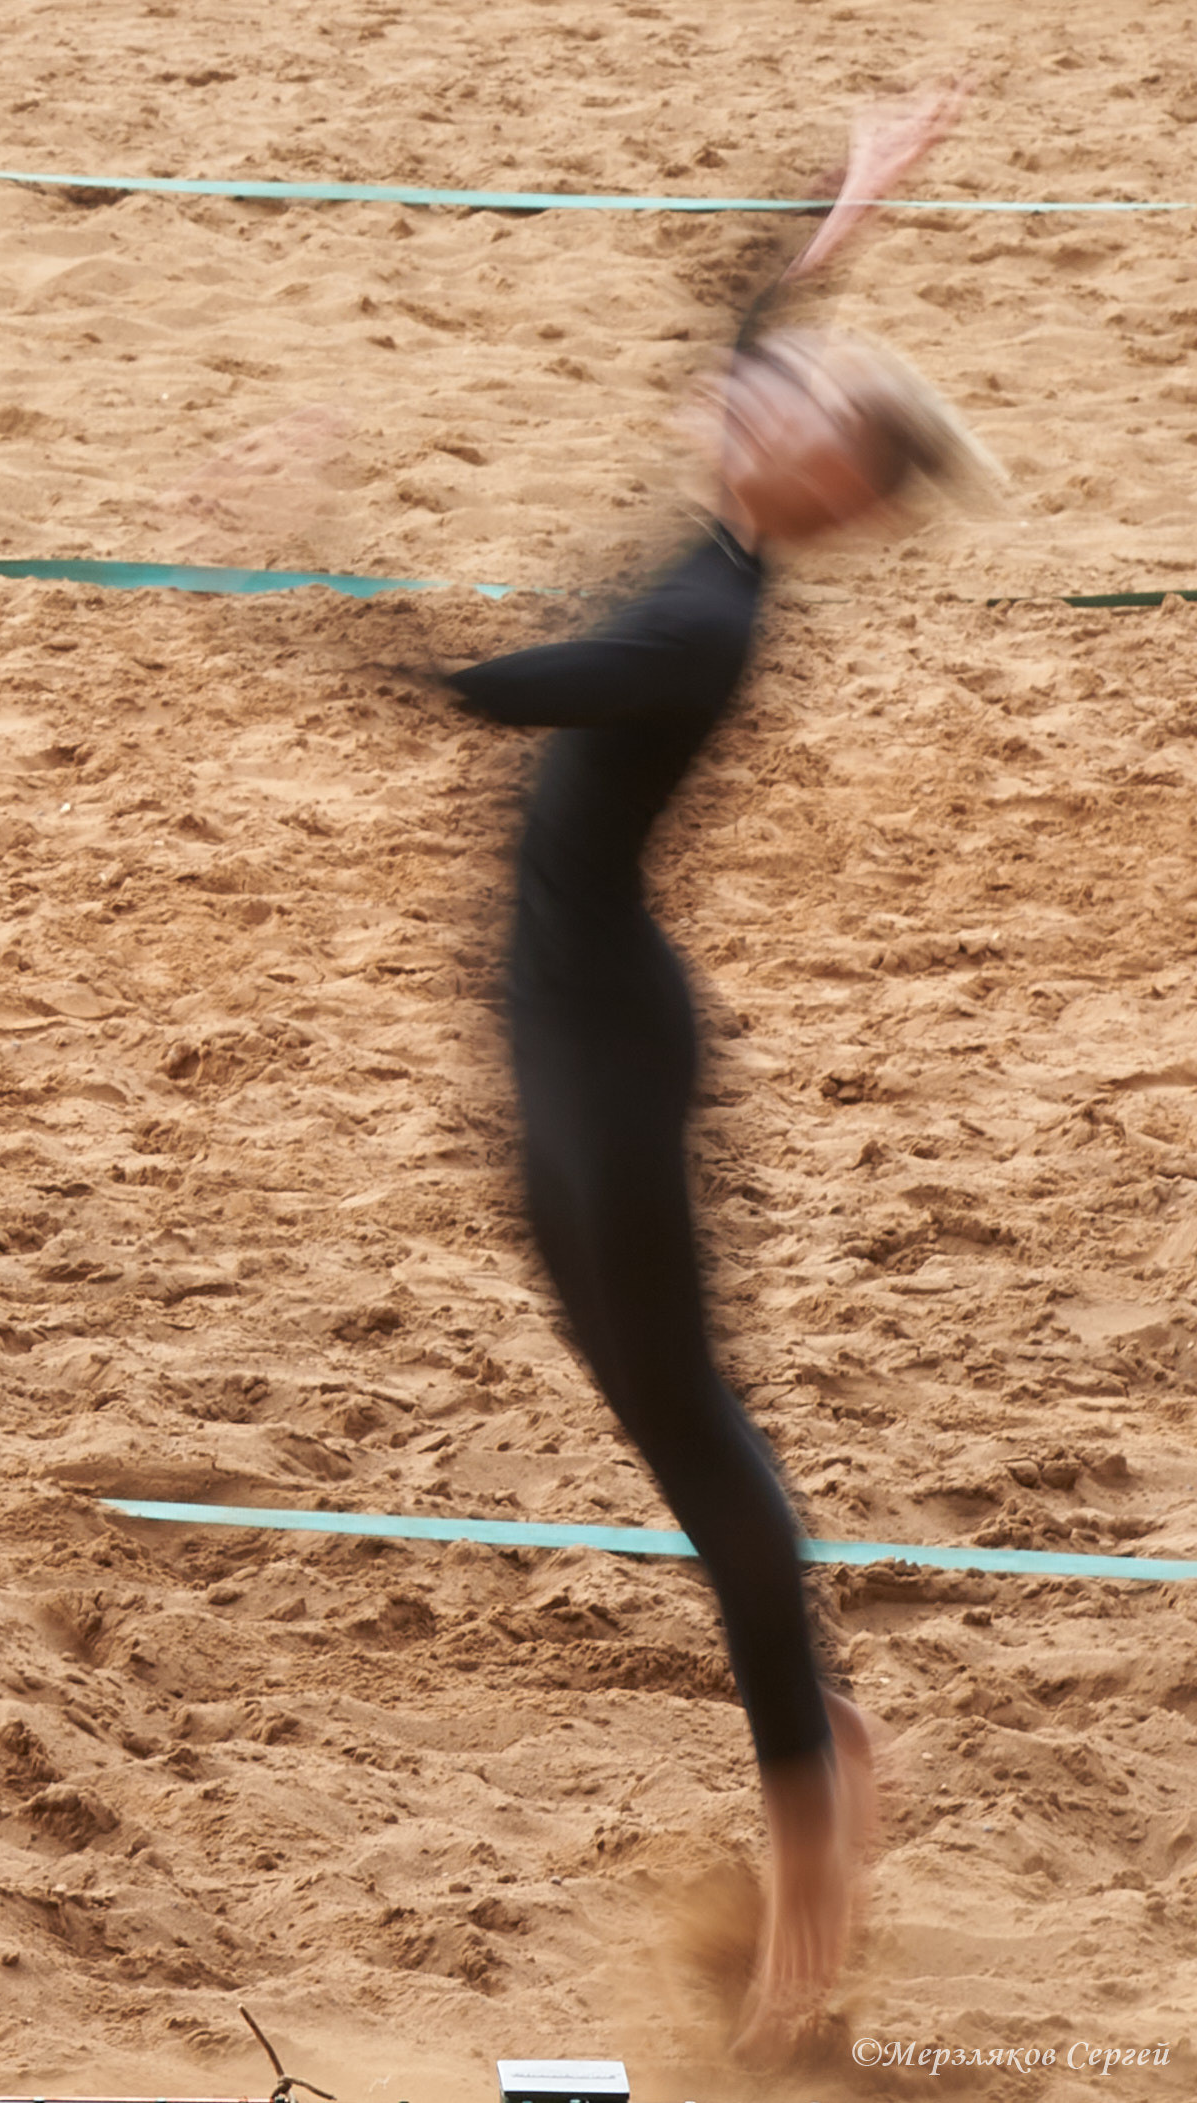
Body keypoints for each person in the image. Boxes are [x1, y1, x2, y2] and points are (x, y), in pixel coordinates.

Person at [427, 90, 996, 2060]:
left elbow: (484, 690)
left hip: (611, 1060)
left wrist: (300, 564)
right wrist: (837, 214)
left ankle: (814, 1843)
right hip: (552, 1021)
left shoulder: (697, 617)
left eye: (798, 411)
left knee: (698, 1441)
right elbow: (741, 328)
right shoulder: (729, 525)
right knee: (647, 1401)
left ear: (822, 482)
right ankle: (817, 1732)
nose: (754, 401)